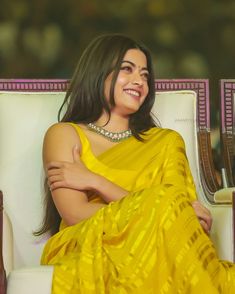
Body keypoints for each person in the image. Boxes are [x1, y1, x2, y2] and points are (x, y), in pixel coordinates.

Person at [35, 34, 235, 293]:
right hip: (89, 242)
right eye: (127, 69)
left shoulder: (165, 142)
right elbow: (75, 213)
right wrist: (161, 210)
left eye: (145, 75)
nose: (139, 81)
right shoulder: (65, 134)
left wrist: (96, 181)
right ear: (98, 72)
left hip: (162, 246)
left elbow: (183, 221)